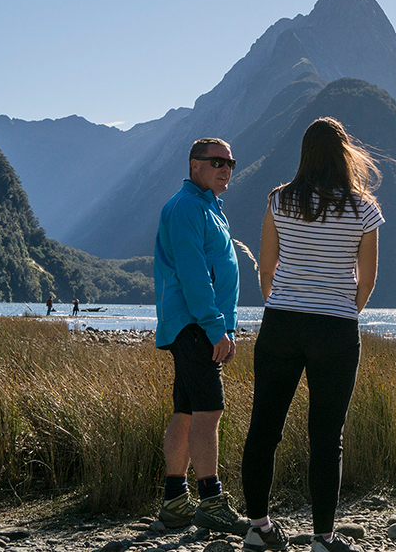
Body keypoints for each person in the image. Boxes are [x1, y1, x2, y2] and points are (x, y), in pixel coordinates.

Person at [240, 117, 383, 552]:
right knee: (326, 435)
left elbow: (266, 268)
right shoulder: (364, 208)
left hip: (282, 322)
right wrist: (340, 312)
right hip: (336, 328)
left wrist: (281, 302)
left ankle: (259, 528)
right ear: (345, 154)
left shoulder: (279, 201)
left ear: (304, 154)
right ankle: (323, 539)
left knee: (264, 427)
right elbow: (367, 280)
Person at [154, 137, 245, 536]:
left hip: (195, 323)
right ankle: (211, 501)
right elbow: (193, 274)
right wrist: (215, 328)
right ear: (195, 165)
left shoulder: (207, 206)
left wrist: (222, 324)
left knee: (187, 412)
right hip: (195, 325)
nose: (226, 168)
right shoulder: (189, 207)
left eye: (230, 162)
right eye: (217, 162)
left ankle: (175, 501)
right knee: (210, 411)